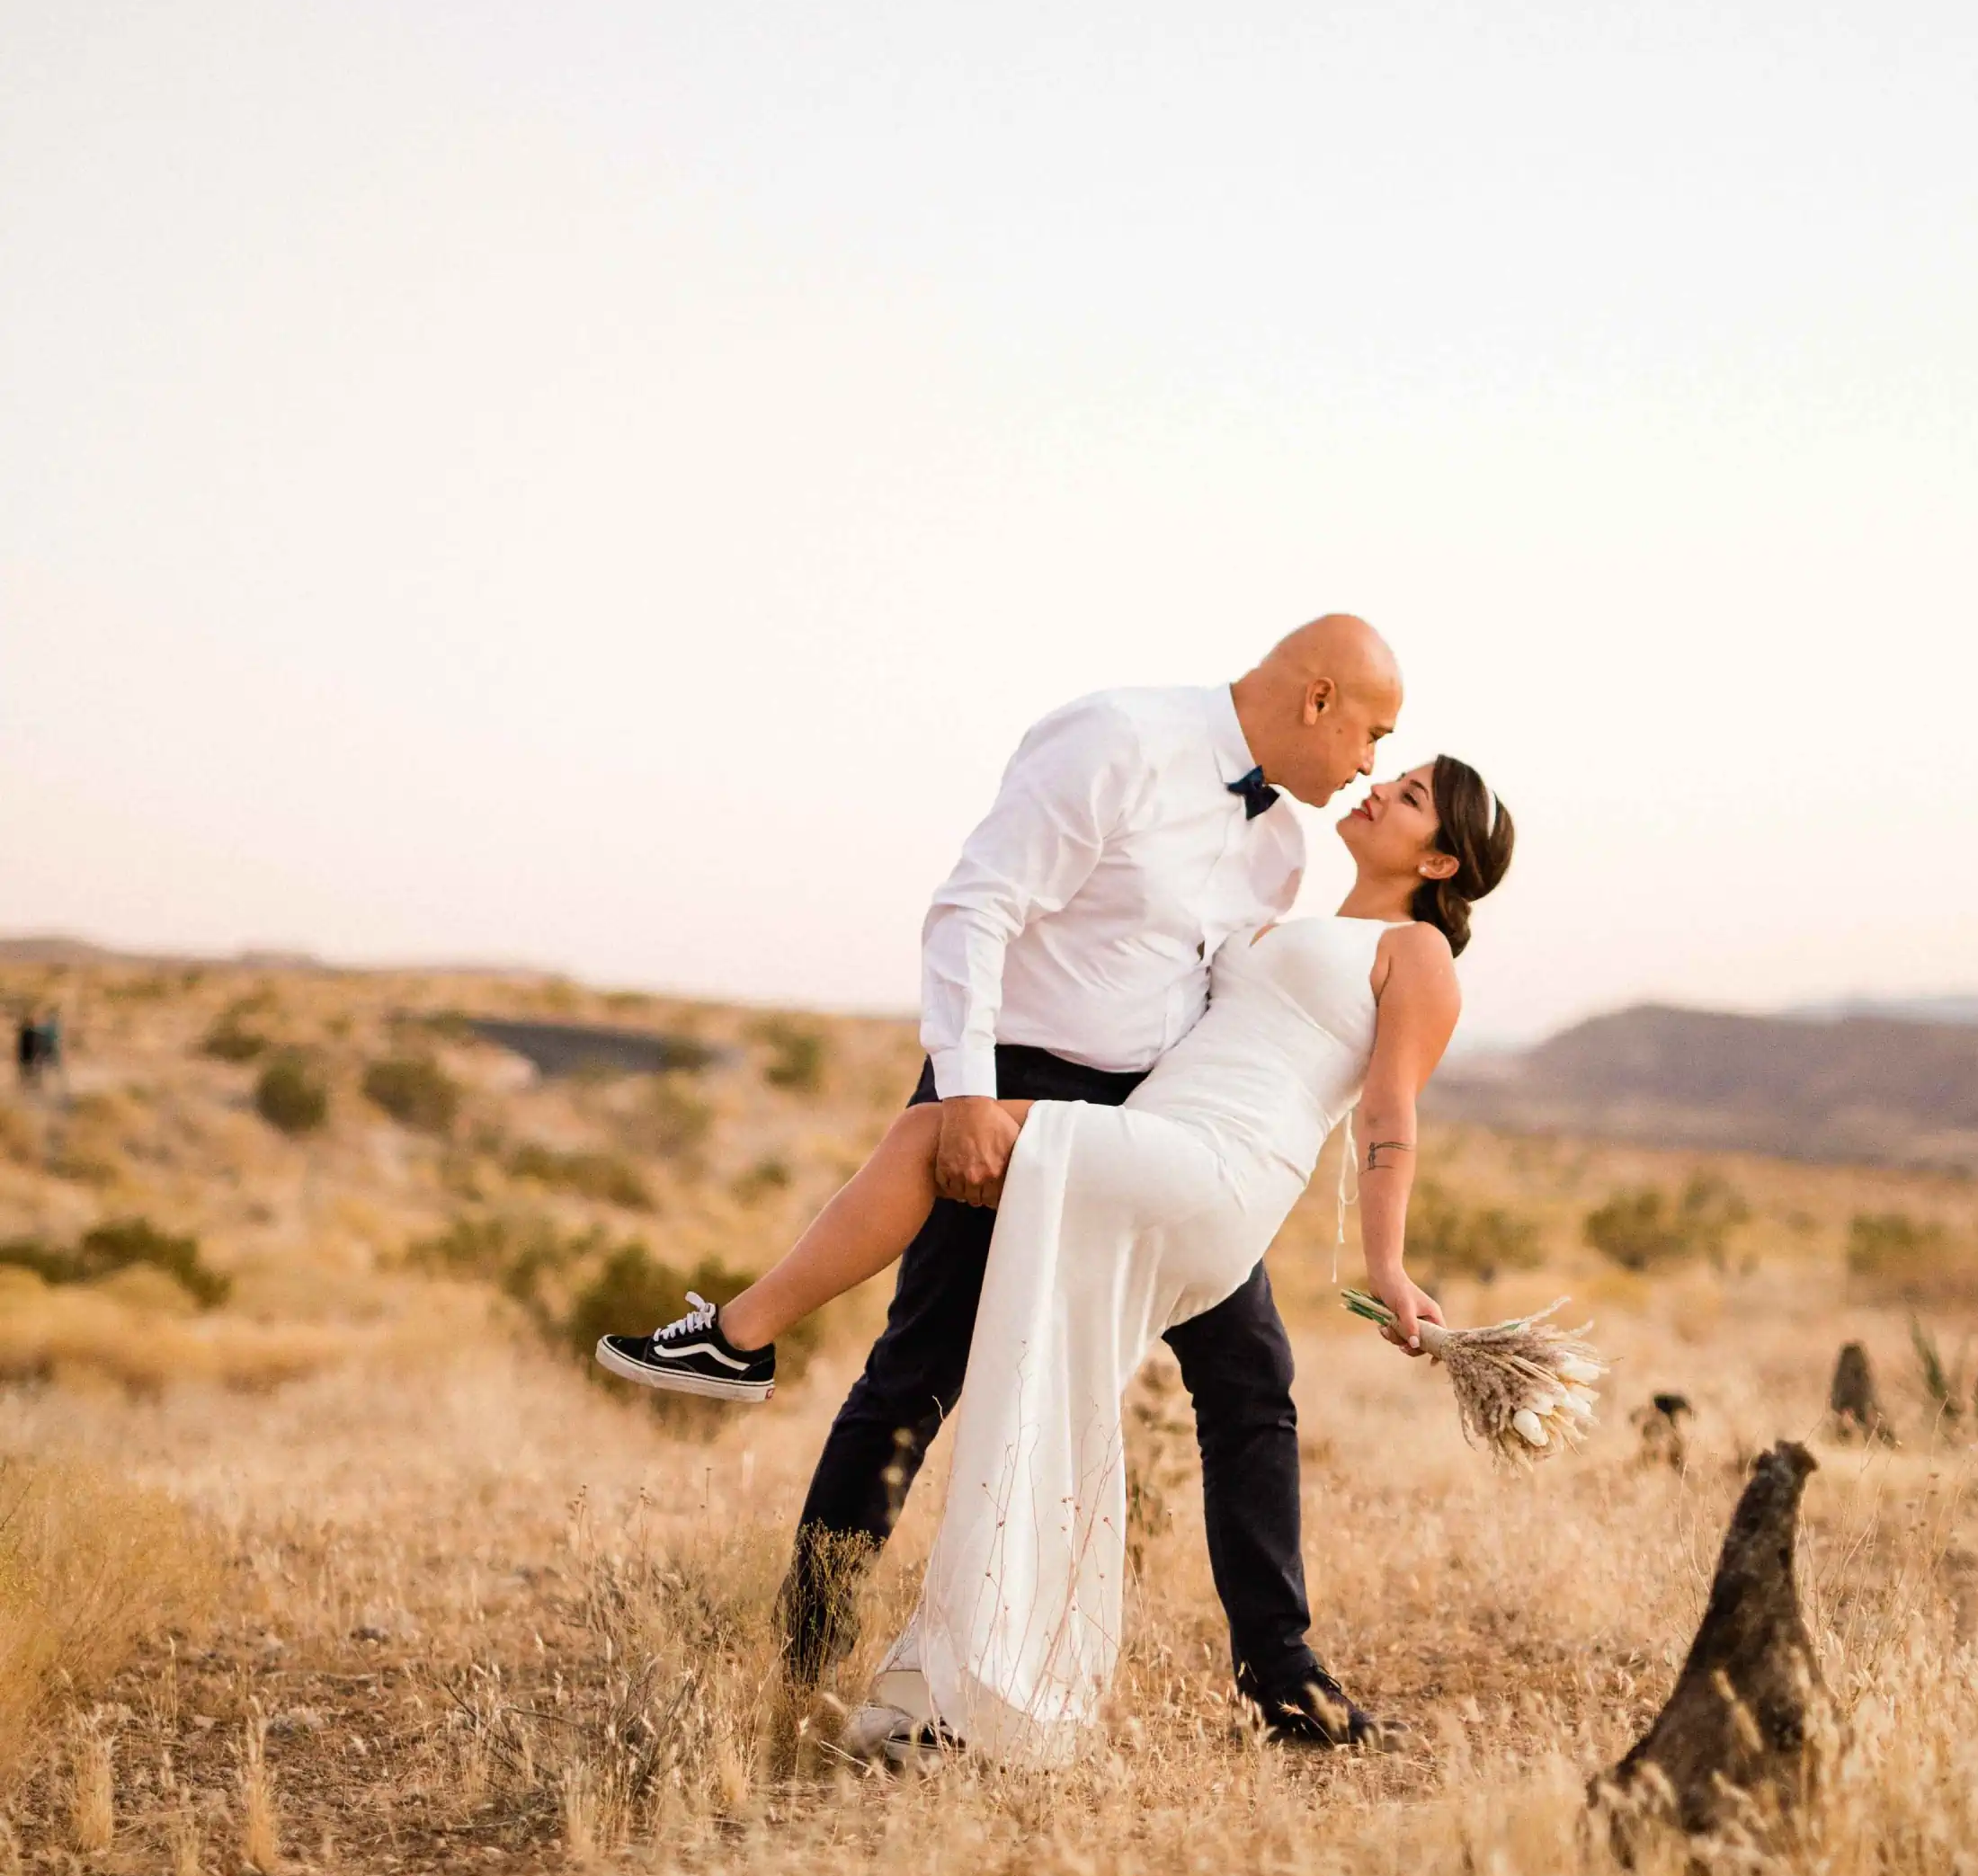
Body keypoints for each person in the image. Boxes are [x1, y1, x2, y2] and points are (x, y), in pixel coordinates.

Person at [600, 734, 1517, 1761]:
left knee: (941, 1128)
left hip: (1211, 1168)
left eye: (1412, 795)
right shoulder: (1284, 904)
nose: (1380, 789)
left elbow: (1387, 1119)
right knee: (1024, 1394)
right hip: (1157, 1148)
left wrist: (1388, 1266)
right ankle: (976, 1687)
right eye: (1390, 774)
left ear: (1440, 862)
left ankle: (737, 1337)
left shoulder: (1418, 955)